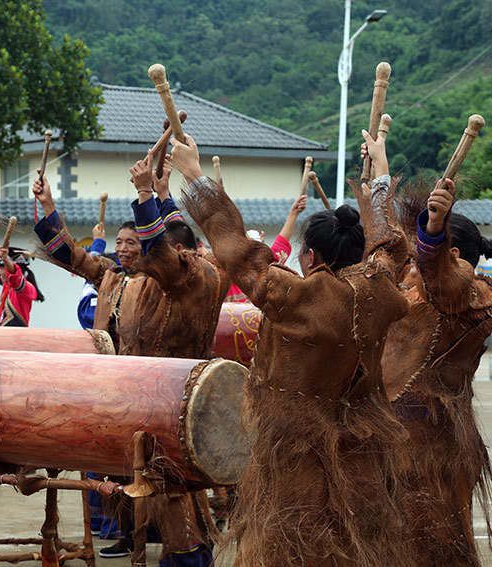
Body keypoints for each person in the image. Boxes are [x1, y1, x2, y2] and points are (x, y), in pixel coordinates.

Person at [170, 131, 413, 566]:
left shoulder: (297, 297)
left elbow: (238, 252)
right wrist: (380, 171)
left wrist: (193, 175)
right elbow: (390, 246)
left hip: (295, 458)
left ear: (310, 257)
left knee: (291, 551)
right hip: (363, 454)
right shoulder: (382, 291)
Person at [33, 150, 229, 565]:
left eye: (134, 243)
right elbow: (73, 257)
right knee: (150, 488)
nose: (124, 250)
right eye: (120, 243)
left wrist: (148, 194)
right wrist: (49, 207)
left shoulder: (192, 281)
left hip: (177, 401)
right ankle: (167, 548)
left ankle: (189, 556)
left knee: (174, 492)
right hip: (137, 400)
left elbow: (165, 243)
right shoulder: (120, 282)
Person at [381, 170, 492, 565]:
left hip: (431, 449)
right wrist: (380, 173)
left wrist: (433, 232)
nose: (413, 266)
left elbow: (439, 279)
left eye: (420, 258)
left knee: (432, 544)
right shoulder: (429, 295)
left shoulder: (470, 297)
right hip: (410, 443)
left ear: (453, 256)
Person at [224, 195, 307, 302]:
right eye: (249, 251)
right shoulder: (228, 278)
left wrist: (293, 213)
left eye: (257, 251)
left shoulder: (269, 270)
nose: (253, 256)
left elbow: (282, 240)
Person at [0, 231, 43, 326]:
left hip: (18, 335)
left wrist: (5, 259)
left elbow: (15, 275)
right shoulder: (7, 284)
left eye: (3, 268)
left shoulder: (27, 289)